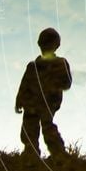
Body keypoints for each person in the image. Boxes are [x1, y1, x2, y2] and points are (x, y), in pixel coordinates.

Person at [15, 28, 72, 158]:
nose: (46, 45)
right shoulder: (32, 66)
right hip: (31, 103)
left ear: (56, 45)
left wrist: (52, 87)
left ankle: (58, 153)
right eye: (44, 42)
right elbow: (24, 84)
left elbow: (66, 83)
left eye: (49, 42)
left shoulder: (60, 63)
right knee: (29, 127)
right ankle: (31, 152)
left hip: (48, 102)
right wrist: (19, 100)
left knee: (47, 126)